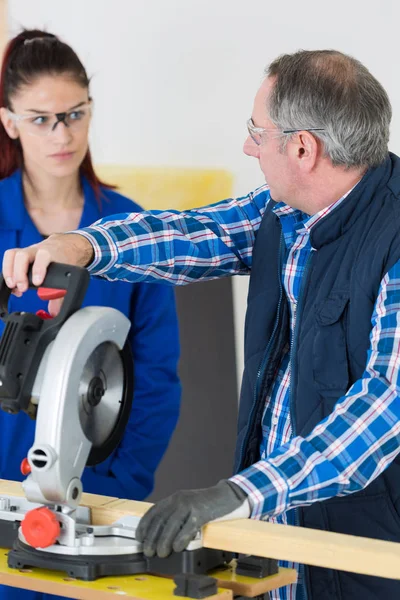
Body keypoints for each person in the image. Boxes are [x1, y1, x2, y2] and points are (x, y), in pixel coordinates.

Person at [3, 49, 400, 600]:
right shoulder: (284, 210)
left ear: (303, 148)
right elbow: (197, 233)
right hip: (271, 537)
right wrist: (87, 243)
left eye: (256, 132)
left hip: (359, 551)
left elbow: (383, 411)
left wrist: (236, 493)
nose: (247, 146)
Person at [0, 29, 181, 600]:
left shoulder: (131, 233)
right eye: (40, 119)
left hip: (93, 505)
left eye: (74, 114)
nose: (62, 134)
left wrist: (112, 492)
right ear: (8, 122)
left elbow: (154, 381)